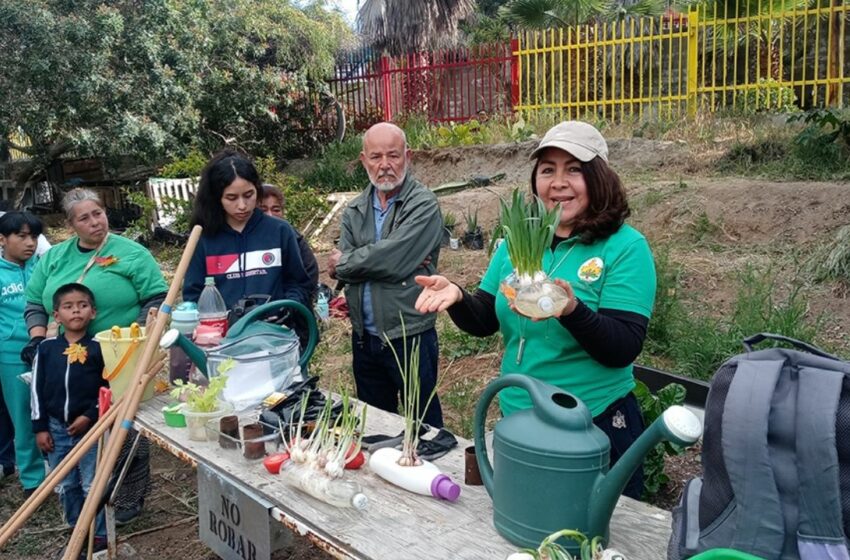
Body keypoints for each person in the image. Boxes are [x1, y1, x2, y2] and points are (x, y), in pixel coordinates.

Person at [415, 121, 656, 498]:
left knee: (594, 541)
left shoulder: (625, 247)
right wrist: (459, 297)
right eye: (548, 170)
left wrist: (571, 309)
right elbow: (486, 318)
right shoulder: (517, 242)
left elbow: (623, 346)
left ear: (599, 178)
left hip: (593, 424)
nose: (558, 182)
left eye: (573, 169)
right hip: (521, 417)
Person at [23, 188, 168, 524]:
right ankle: (79, 494)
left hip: (119, 353)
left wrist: (132, 336)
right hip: (68, 355)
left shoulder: (132, 253)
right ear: (71, 224)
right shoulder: (54, 257)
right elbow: (34, 303)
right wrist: (37, 339)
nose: (95, 222)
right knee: (73, 418)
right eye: (84, 218)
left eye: (98, 213)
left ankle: (127, 495)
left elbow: (157, 298)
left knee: (124, 424)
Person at [328, 122, 444, 428]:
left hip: (409, 333)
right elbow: (377, 262)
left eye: (393, 155)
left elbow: (392, 261)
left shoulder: (423, 204)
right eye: (376, 157)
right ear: (363, 160)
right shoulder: (355, 209)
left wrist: (348, 262)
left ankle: (435, 475)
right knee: (375, 424)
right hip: (364, 337)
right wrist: (370, 261)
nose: (384, 165)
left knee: (424, 425)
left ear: (408, 156)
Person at [183, 151, 313, 316]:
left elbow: (299, 284)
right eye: (231, 198)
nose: (242, 205)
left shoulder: (280, 231)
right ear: (217, 198)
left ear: (257, 190)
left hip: (275, 333)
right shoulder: (204, 239)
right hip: (222, 337)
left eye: (248, 195)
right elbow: (193, 296)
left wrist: (285, 311)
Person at [31, 283, 108, 553]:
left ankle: (98, 534)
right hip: (55, 429)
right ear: (56, 315)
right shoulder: (46, 349)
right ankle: (76, 528)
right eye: (68, 306)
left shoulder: (100, 348)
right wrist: (40, 428)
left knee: (92, 482)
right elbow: (36, 390)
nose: (76, 310)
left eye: (82, 305)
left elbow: (107, 388)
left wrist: (90, 415)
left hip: (88, 430)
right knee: (65, 483)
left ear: (93, 313)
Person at [0, 212, 47, 498]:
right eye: (22, 236)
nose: (30, 243)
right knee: (23, 417)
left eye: (34, 236)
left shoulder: (42, 267)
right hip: (12, 354)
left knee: (52, 413)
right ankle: (33, 481)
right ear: (2, 239)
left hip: (48, 349)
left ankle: (61, 471)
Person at [259, 184, 319, 302]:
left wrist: (287, 306)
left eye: (276, 209)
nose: (270, 215)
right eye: (263, 210)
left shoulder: (293, 239)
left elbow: (308, 276)